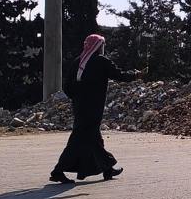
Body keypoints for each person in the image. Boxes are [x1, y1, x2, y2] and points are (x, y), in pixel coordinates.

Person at [50, 34, 143, 183]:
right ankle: (58, 171)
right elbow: (119, 75)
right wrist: (136, 75)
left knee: (94, 139)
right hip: (93, 109)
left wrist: (79, 97)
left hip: (80, 108)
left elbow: (67, 87)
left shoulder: (77, 62)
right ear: (98, 47)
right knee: (79, 140)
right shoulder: (101, 61)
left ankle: (107, 169)